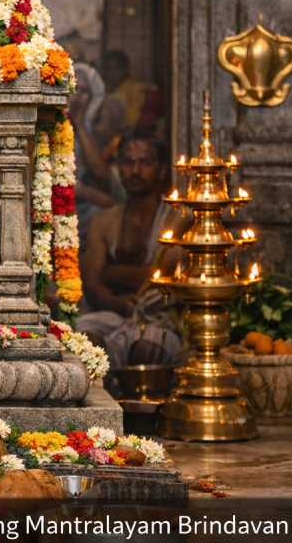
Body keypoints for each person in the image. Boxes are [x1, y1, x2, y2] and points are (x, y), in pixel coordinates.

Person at [77, 132, 184, 368]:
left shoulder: (177, 219)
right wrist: (115, 302)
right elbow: (92, 283)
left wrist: (112, 273)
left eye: (145, 162)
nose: (135, 170)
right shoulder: (102, 222)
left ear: (162, 170)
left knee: (147, 344)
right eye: (128, 162)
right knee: (78, 341)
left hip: (160, 319)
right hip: (111, 314)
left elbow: (161, 276)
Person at [69, 62, 124, 244]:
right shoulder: (45, 128)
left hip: (83, 207)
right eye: (74, 87)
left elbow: (101, 172)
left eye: (84, 91)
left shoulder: (90, 134)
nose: (78, 95)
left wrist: (79, 124)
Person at [103, 50, 160, 132]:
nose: (113, 73)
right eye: (109, 69)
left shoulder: (136, 89)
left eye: (117, 68)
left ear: (126, 69)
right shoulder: (104, 91)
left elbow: (132, 122)